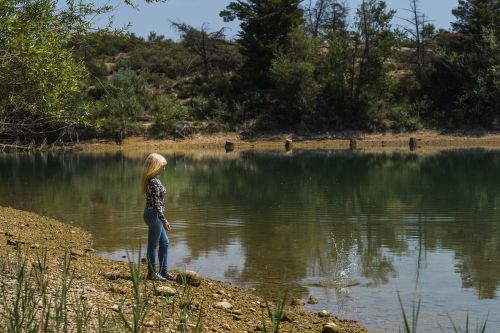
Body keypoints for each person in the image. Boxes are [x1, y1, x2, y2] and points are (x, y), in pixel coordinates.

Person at [140, 153, 176, 281]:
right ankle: (152, 273)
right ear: (156, 166)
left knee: (164, 243)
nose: (164, 168)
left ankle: (164, 271)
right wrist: (164, 219)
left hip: (153, 214)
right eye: (162, 166)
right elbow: (157, 204)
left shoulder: (153, 179)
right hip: (154, 215)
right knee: (153, 245)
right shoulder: (154, 182)